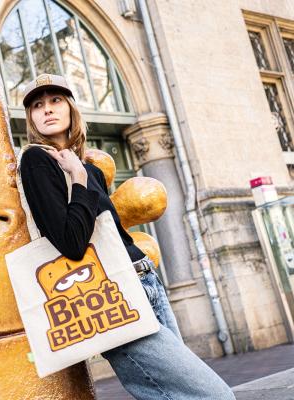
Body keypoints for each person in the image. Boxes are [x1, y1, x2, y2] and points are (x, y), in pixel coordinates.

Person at [19, 73, 235, 400]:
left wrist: (81, 172)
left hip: (146, 281)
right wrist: (76, 177)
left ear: (71, 108)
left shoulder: (89, 168)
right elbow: (72, 243)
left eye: (55, 100)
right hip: (111, 295)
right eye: (37, 105)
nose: (47, 109)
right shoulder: (37, 161)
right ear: (31, 117)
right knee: (214, 395)